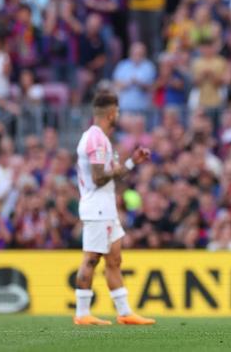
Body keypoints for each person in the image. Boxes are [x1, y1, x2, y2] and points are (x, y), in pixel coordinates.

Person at [73, 89, 155, 326]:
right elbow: (99, 178)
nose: (118, 115)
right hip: (96, 207)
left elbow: (111, 175)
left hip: (106, 208)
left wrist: (132, 162)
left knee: (114, 259)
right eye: (117, 111)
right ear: (110, 113)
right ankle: (82, 313)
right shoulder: (95, 138)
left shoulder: (102, 139)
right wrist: (126, 164)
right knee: (91, 258)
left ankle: (124, 312)